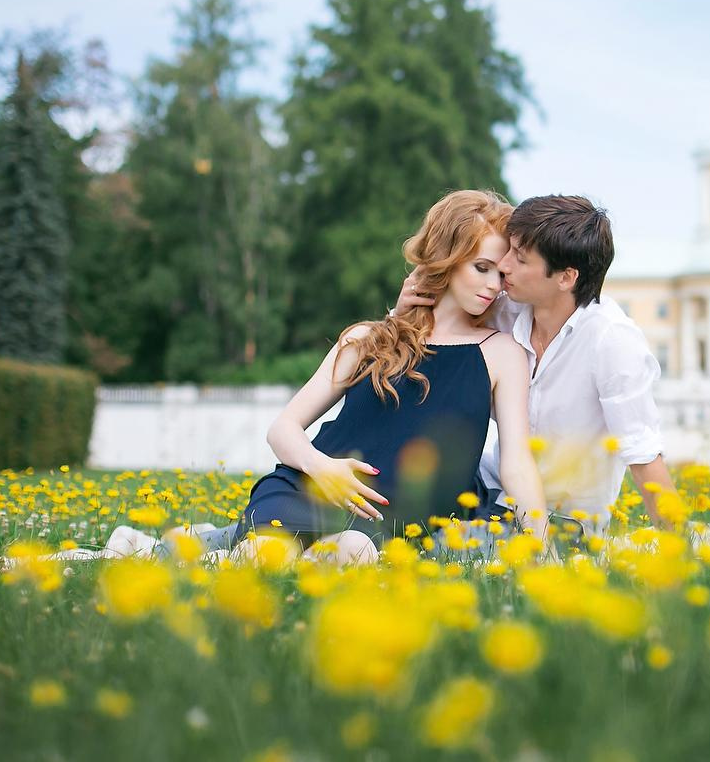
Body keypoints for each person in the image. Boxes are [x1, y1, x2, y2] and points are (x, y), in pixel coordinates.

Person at [231, 189, 548, 564]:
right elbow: (282, 429)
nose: (494, 286)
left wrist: (545, 549)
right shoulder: (367, 338)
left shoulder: (502, 353)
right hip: (309, 489)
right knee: (262, 554)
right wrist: (324, 469)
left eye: (501, 273)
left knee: (355, 550)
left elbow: (517, 463)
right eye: (481, 268)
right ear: (446, 258)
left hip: (395, 514)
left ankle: (216, 548)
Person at [393, 194, 679, 536]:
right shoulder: (504, 310)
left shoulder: (611, 341)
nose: (503, 265)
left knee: (435, 545)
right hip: (487, 490)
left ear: (566, 278)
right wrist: (403, 314)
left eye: (520, 258)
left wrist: (679, 545)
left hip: (562, 520)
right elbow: (431, 342)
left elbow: (643, 453)